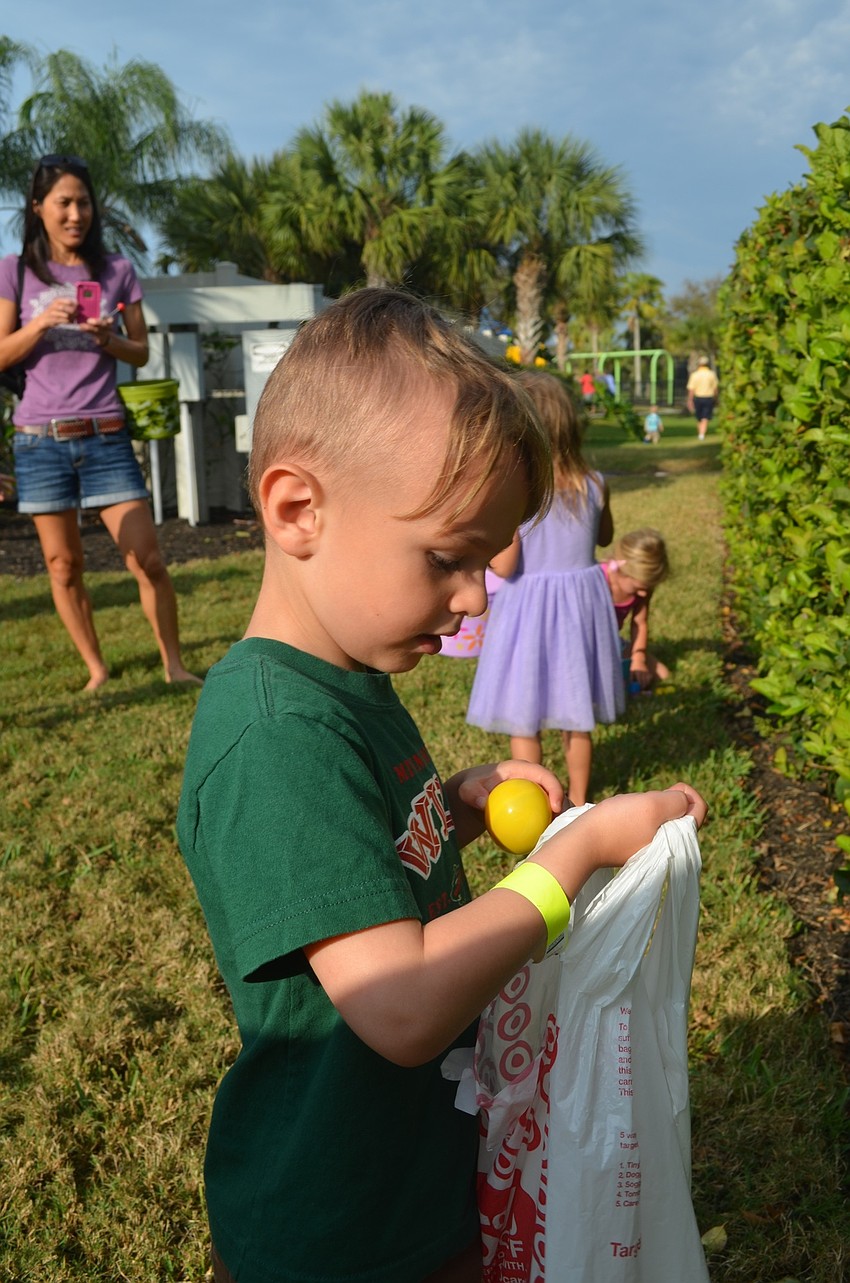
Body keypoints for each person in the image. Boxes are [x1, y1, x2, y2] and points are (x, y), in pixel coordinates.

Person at [176, 288, 708, 1283]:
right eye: (446, 558)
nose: (475, 596)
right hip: (336, 1219)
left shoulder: (349, 679)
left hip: (409, 1166)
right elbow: (403, 1001)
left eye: (485, 562)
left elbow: (365, 875)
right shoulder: (276, 733)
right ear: (298, 510)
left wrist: (449, 814)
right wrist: (570, 860)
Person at [0, 154, 200, 691]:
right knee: (63, 567)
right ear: (38, 207)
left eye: (83, 202)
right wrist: (42, 321)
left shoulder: (116, 270)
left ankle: (175, 665)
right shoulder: (15, 271)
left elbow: (140, 353)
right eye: (63, 203)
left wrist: (106, 338)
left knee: (149, 558)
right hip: (40, 439)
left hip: (106, 435)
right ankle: (96, 669)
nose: (75, 214)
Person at [466, 369, 624, 808]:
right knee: (579, 717)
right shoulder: (595, 482)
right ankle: (579, 798)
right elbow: (604, 536)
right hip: (580, 610)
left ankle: (540, 803)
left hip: (528, 612)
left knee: (525, 714)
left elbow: (507, 563)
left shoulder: (520, 490)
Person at [601, 527, 671, 690]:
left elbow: (639, 622)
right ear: (623, 571)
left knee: (663, 674)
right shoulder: (600, 580)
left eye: (648, 587)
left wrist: (638, 658)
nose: (643, 593)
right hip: (591, 644)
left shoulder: (643, 587)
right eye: (638, 587)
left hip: (614, 642)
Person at [686, 356, 719, 440]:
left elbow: (691, 389)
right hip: (708, 397)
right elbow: (715, 388)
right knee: (705, 417)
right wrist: (716, 397)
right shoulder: (711, 374)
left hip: (698, 397)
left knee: (699, 417)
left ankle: (701, 433)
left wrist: (690, 400)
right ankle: (702, 433)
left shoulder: (695, 375)